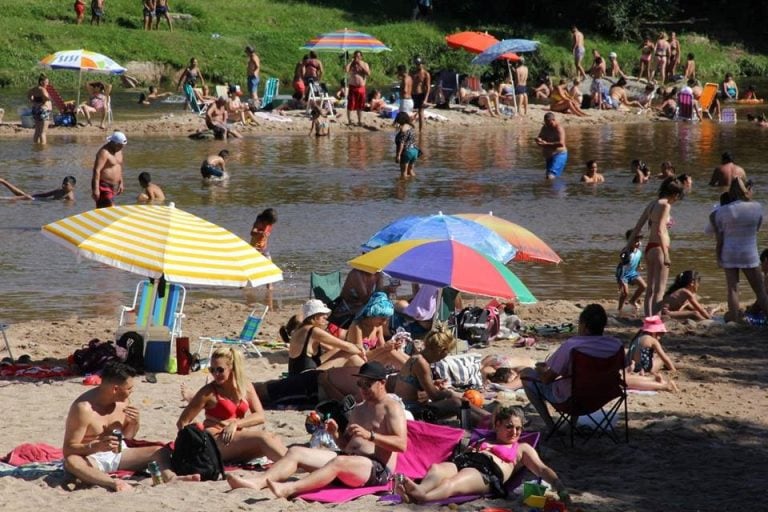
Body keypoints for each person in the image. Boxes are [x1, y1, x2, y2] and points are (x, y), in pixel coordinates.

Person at [228, 361, 407, 497]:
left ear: (382, 383)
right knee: (296, 451)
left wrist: (371, 436)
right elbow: (346, 446)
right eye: (360, 384)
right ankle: (258, 483)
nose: (363, 389)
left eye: (368, 384)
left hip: (377, 469)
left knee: (339, 463)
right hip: (350, 459)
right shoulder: (359, 408)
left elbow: (401, 444)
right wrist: (335, 433)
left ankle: (289, 488)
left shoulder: (391, 408)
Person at [397, 406, 571, 506]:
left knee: (452, 482)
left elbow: (541, 468)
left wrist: (559, 486)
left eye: (518, 428)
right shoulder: (484, 438)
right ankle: (420, 490)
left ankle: (424, 498)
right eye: (509, 427)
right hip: (465, 461)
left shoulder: (522, 448)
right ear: (497, 425)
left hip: (487, 472)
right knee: (437, 468)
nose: (515, 432)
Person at [63, 362, 195, 491]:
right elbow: (68, 449)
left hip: (119, 453)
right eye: (129, 389)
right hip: (92, 457)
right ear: (115, 389)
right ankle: (113, 483)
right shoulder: (83, 409)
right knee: (72, 462)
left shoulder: (124, 402)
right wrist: (95, 446)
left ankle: (171, 477)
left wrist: (134, 423)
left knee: (160, 451)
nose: (132, 391)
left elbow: (128, 436)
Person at [177, 347, 287, 464]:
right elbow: (182, 422)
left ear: (232, 368)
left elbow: (260, 416)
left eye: (220, 370)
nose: (215, 374)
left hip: (236, 436)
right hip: (215, 439)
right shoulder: (208, 392)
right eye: (212, 370)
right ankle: (295, 464)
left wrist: (235, 423)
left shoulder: (245, 386)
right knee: (263, 438)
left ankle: (297, 463)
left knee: (274, 438)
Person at [521, 304, 623, 430]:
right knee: (577, 380)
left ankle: (551, 426)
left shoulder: (573, 346)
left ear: (584, 325)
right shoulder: (616, 345)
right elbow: (623, 366)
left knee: (526, 374)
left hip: (571, 400)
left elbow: (547, 379)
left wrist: (540, 370)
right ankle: (571, 425)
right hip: (602, 396)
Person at [624, 177, 686, 316]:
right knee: (660, 289)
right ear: (675, 194)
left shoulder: (652, 204)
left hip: (649, 248)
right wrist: (666, 254)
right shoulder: (666, 206)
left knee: (650, 289)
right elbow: (660, 231)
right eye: (678, 196)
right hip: (659, 248)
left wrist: (627, 246)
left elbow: (637, 227)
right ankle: (655, 321)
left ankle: (648, 318)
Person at [712, 177, 768, 322]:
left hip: (729, 252)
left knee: (733, 288)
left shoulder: (723, 210)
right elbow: (757, 228)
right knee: (760, 290)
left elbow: (719, 232)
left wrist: (718, 257)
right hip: (749, 252)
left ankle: (735, 320)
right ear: (746, 191)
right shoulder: (757, 207)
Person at [393, 324, 475, 422]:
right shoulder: (421, 363)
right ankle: (486, 421)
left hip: (406, 407)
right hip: (411, 411)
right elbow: (434, 396)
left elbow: (417, 388)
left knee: (462, 402)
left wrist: (434, 384)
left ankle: (487, 418)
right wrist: (450, 393)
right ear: (442, 351)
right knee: (456, 403)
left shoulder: (417, 358)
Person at [287, 299, 366, 376]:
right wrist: (360, 351)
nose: (326, 316)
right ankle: (369, 375)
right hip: (304, 378)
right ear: (314, 316)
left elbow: (336, 348)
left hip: (297, 374)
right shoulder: (313, 331)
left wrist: (356, 348)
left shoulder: (301, 329)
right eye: (323, 314)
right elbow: (346, 346)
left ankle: (366, 373)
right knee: (349, 354)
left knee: (340, 350)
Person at [347, 292, 408, 369]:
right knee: (389, 353)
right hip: (357, 363)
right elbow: (360, 355)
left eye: (386, 320)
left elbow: (383, 347)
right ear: (372, 314)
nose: (384, 323)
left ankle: (413, 365)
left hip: (368, 360)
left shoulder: (377, 327)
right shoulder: (357, 327)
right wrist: (384, 347)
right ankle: (412, 371)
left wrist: (393, 345)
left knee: (393, 351)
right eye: (382, 319)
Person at [250, 207, 277, 309]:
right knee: (251, 268)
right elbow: (252, 233)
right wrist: (260, 233)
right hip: (254, 248)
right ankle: (244, 284)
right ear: (264, 220)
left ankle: (269, 286)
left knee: (269, 266)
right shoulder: (259, 222)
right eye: (268, 223)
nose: (269, 225)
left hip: (264, 248)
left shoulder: (269, 223)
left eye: (271, 223)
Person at [91, 131, 127, 208]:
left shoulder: (119, 151)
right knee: (111, 208)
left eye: (122, 146)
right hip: (104, 186)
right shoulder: (104, 153)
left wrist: (121, 182)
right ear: (113, 143)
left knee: (103, 210)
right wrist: (96, 189)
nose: (121, 148)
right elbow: (96, 170)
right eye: (120, 146)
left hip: (114, 186)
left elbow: (119, 166)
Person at [616, 230, 647, 313]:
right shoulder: (626, 251)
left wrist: (640, 266)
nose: (638, 243)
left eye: (639, 241)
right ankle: (620, 308)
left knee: (643, 286)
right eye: (636, 241)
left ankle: (632, 300)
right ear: (629, 241)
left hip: (633, 273)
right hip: (623, 273)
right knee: (625, 293)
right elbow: (622, 256)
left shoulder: (639, 252)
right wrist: (624, 255)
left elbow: (638, 259)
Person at [536, 112, 568, 180]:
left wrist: (546, 144)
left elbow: (561, 143)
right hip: (549, 156)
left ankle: (554, 190)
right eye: (546, 122)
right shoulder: (545, 127)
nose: (548, 125)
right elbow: (540, 136)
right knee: (548, 176)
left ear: (553, 120)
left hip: (559, 154)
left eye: (549, 123)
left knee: (550, 176)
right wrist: (538, 139)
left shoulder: (558, 128)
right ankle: (553, 190)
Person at [0, 176, 76, 201]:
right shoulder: (59, 190)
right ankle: (3, 181)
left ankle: (5, 198)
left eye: (66, 185)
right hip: (42, 200)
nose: (63, 186)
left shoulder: (70, 197)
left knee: (25, 197)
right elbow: (45, 194)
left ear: (72, 187)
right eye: (63, 184)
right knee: (25, 195)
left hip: (44, 202)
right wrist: (33, 196)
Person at [345, 50, 370, 127]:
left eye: (359, 56)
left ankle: (360, 120)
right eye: (355, 56)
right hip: (353, 87)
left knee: (361, 105)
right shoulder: (352, 65)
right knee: (350, 104)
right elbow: (346, 70)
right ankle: (350, 120)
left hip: (361, 88)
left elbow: (368, 73)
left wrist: (360, 64)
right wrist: (351, 62)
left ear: (361, 57)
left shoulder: (365, 64)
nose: (357, 58)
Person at [394, 111, 420, 179]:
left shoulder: (403, 129)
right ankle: (414, 184)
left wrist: (398, 155)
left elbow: (401, 143)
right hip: (415, 151)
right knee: (411, 171)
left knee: (403, 173)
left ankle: (402, 188)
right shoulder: (411, 126)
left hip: (407, 152)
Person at [28, 74, 52, 145]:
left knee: (37, 131)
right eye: (46, 82)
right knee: (43, 133)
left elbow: (28, 95)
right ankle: (43, 151)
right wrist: (49, 98)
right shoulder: (43, 89)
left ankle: (36, 147)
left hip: (36, 109)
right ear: (41, 82)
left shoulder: (34, 89)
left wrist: (33, 101)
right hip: (43, 110)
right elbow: (46, 98)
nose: (47, 84)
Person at [411, 57, 431, 129]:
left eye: (419, 64)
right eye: (416, 64)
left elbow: (428, 87)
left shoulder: (426, 74)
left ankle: (421, 132)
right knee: (409, 112)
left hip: (420, 94)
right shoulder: (413, 73)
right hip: (412, 94)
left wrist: (426, 99)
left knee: (421, 113)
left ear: (422, 64)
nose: (417, 65)